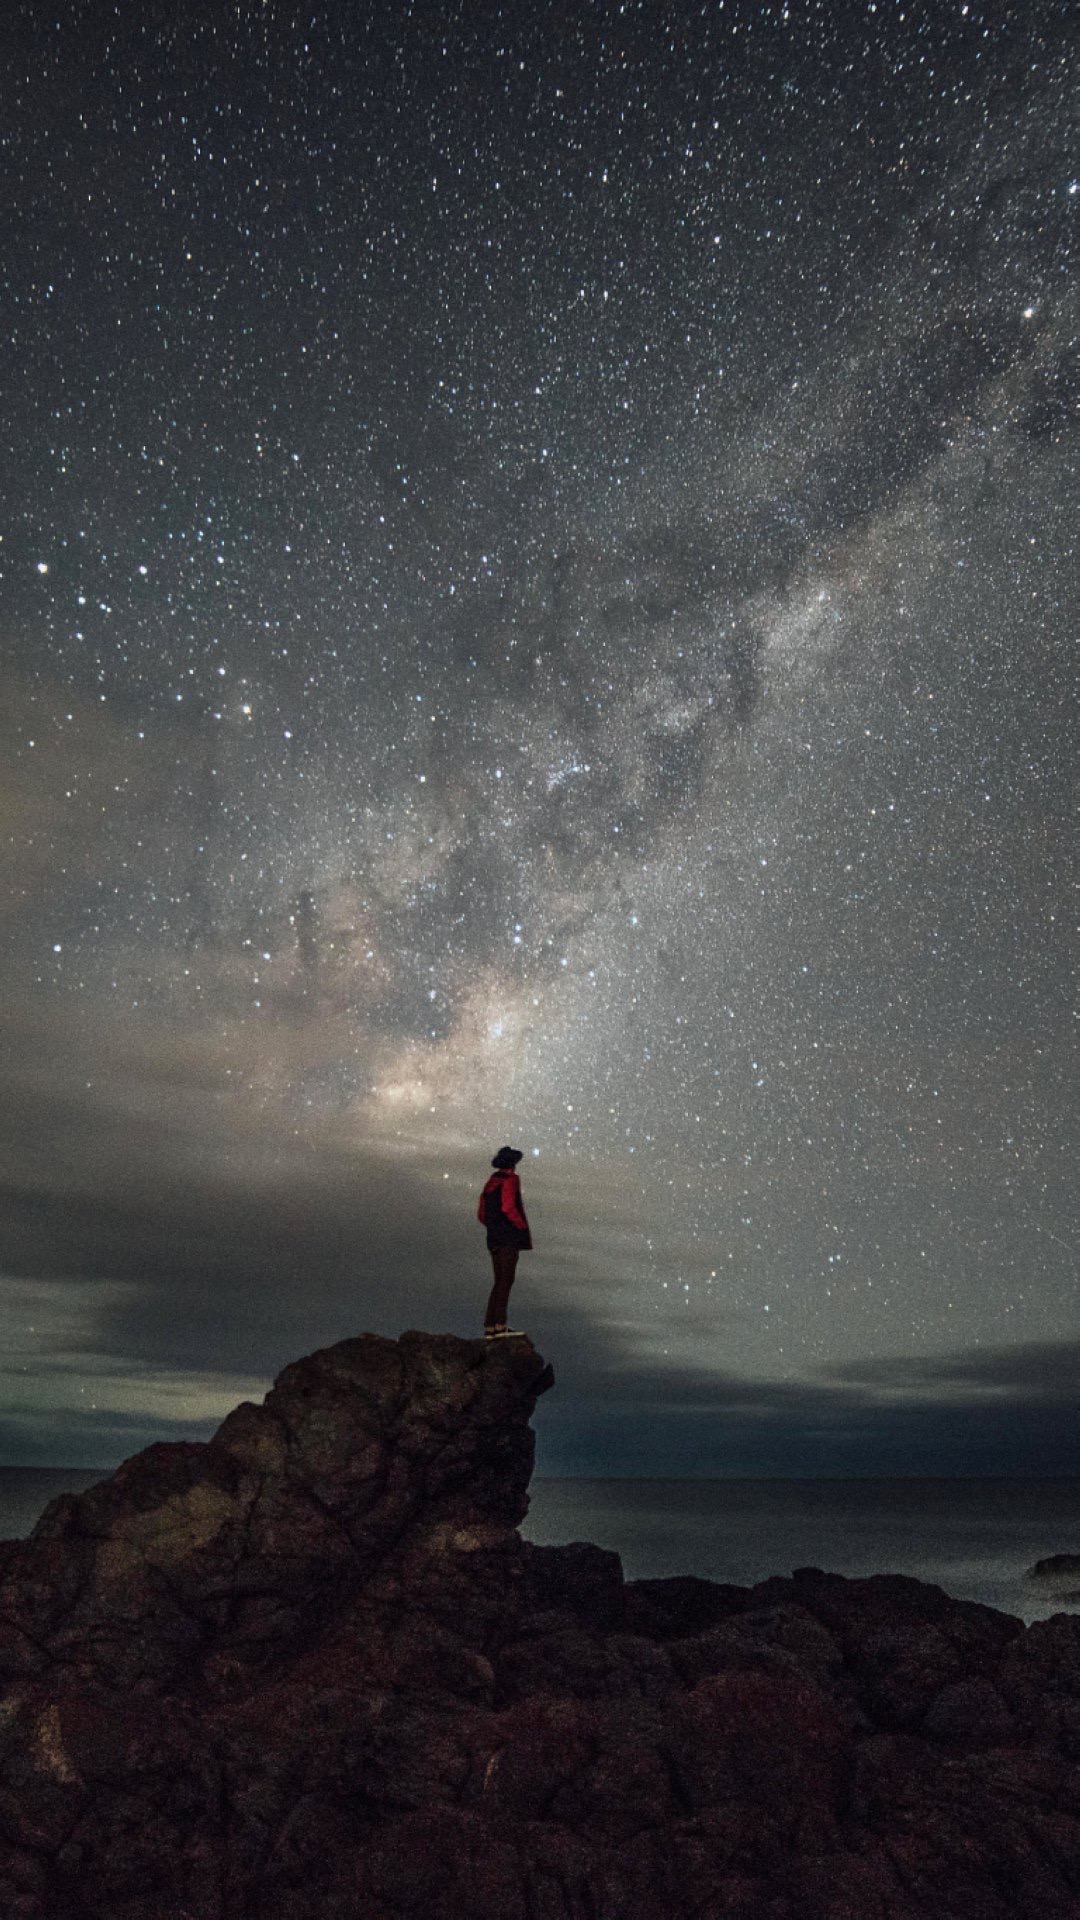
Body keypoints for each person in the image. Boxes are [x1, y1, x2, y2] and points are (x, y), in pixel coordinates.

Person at [478, 1146, 532, 1338]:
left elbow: (481, 1214)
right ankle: (500, 1325)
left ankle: (490, 1325)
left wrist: (494, 1227)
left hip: (493, 1238)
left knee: (499, 1281)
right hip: (508, 1238)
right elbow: (508, 1206)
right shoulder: (511, 1180)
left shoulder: (491, 1182)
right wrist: (520, 1225)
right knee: (506, 1280)